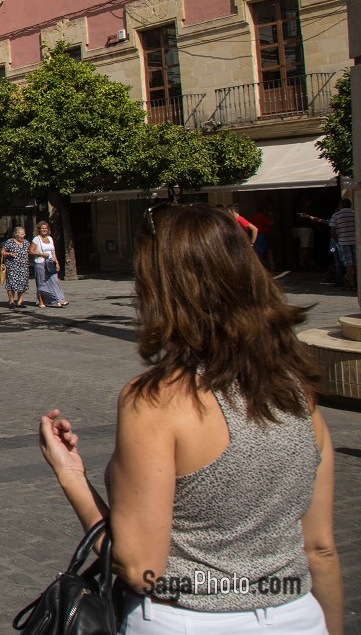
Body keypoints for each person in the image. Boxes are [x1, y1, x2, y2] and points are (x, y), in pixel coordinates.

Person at [37, 203, 342, 634]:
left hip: (186, 618)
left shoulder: (158, 402)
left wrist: (71, 475)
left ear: (159, 288)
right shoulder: (298, 392)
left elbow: (141, 567)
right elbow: (321, 549)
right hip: (298, 614)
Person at [29, 221, 67, 308]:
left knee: (55, 281)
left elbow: (53, 252)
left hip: (50, 262)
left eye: (45, 228)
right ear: (39, 229)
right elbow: (31, 251)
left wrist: (56, 262)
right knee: (41, 283)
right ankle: (41, 301)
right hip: (40, 262)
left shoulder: (50, 238)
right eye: (42, 228)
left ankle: (60, 299)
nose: (44, 230)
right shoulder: (36, 239)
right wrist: (41, 254)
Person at [0, 226, 31, 308]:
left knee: (23, 284)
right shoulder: (9, 242)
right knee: (11, 284)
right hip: (12, 267)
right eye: (21, 234)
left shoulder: (26, 243)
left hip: (24, 267)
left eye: (24, 234)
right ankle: (11, 301)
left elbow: (30, 252)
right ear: (16, 234)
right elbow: (2, 252)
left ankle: (20, 302)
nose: (23, 236)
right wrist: (9, 254)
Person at [328, 199, 355, 289]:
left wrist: (338, 241)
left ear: (341, 205)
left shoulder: (336, 215)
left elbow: (332, 231)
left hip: (343, 242)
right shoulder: (355, 214)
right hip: (355, 242)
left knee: (348, 264)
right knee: (357, 263)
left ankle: (352, 285)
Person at [250, 206, 276, 270]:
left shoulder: (254, 218)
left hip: (257, 236)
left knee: (263, 251)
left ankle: (269, 266)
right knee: (262, 252)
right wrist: (272, 217)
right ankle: (268, 266)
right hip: (262, 236)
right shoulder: (262, 217)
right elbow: (272, 223)